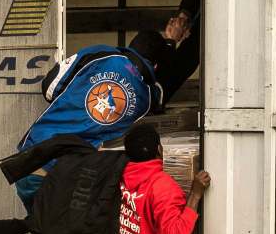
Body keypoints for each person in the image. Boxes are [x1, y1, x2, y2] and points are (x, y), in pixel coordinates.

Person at [13, 36, 168, 209]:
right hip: (72, 175)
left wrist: (76, 98)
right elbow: (159, 98)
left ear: (130, 46)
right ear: (155, 66)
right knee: (58, 232)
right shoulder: (146, 99)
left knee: (42, 228)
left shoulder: (100, 53)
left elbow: (49, 89)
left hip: (33, 157)